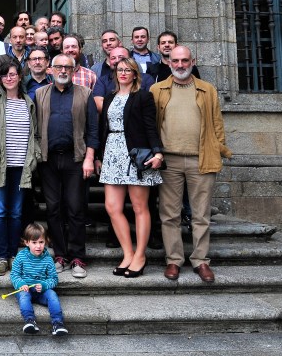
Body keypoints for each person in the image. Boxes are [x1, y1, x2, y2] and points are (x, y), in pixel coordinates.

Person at [151, 46, 231, 283]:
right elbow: (151, 124)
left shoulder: (207, 90)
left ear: (192, 61)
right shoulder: (157, 89)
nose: (180, 64)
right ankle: (174, 260)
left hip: (201, 158)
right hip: (169, 160)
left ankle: (201, 261)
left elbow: (217, 124)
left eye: (185, 60)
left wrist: (218, 148)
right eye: (175, 60)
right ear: (168, 63)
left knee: (201, 214)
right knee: (169, 214)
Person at [97, 57, 164, 278]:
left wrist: (158, 152)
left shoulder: (144, 96)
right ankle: (128, 253)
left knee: (139, 207)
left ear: (136, 74)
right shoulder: (109, 98)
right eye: (120, 69)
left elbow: (150, 127)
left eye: (128, 70)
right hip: (113, 153)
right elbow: (103, 129)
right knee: (112, 207)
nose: (123, 73)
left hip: (136, 153)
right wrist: (98, 156)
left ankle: (140, 256)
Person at [34, 54, 98, 278]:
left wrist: (90, 157)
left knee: (75, 208)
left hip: (75, 159)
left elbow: (92, 129)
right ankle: (60, 255)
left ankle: (78, 257)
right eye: (58, 67)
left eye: (67, 67)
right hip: (48, 160)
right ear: (50, 70)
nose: (62, 70)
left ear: (73, 71)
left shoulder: (85, 93)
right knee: (53, 208)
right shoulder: (40, 94)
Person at [0, 60, 40, 277]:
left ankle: (14, 255)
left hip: (21, 167)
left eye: (13, 74)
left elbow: (34, 135)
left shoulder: (28, 102)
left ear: (19, 77)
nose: (9, 78)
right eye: (5, 75)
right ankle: (2, 257)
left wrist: (34, 158)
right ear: (0, 78)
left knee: (16, 213)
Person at [10, 223, 68, 336]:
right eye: (34, 242)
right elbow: (14, 274)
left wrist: (45, 285)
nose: (38, 246)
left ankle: (58, 324)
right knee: (23, 296)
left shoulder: (48, 259)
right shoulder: (21, 256)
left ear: (45, 242)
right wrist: (21, 283)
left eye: (41, 242)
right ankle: (30, 321)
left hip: (41, 291)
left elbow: (54, 278)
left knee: (52, 295)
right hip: (25, 289)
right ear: (27, 242)